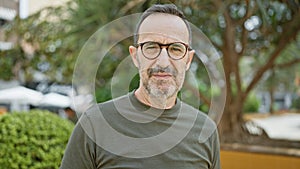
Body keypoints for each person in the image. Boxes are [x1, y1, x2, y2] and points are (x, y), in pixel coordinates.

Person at [60, 4, 220, 169]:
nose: (163, 62)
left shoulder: (205, 130)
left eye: (176, 49)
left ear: (188, 60)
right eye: (151, 47)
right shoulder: (94, 124)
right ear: (135, 56)